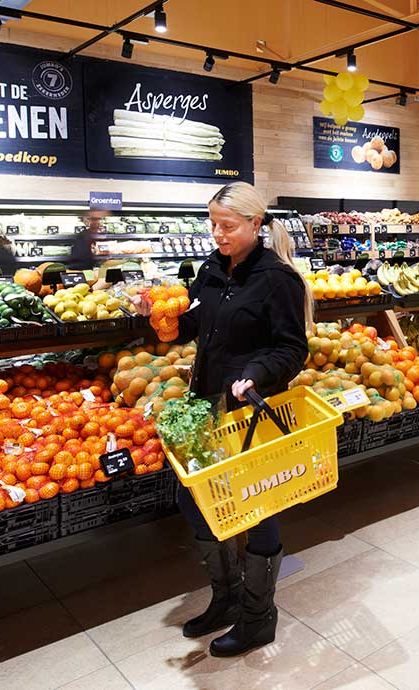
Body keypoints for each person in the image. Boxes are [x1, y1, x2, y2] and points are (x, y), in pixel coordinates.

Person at [135, 182, 310, 657]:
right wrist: (161, 316)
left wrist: (255, 373)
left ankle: (259, 616)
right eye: (213, 224)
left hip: (251, 410)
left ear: (256, 224)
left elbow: (293, 349)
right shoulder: (211, 269)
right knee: (195, 498)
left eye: (228, 226)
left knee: (257, 504)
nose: (217, 234)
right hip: (205, 403)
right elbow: (196, 324)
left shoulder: (278, 279)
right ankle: (227, 597)